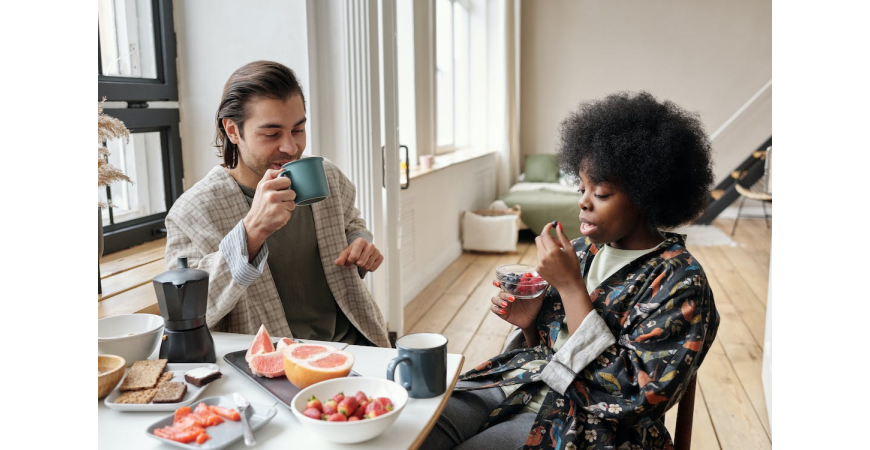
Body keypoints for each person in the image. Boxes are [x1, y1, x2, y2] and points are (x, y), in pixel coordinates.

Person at [422, 91, 720, 450]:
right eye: (582, 188)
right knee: (414, 428)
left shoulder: (680, 282)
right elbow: (550, 351)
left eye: (602, 193)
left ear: (647, 195)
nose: (583, 201)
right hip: (524, 385)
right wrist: (530, 324)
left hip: (587, 425)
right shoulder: (580, 251)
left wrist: (570, 289)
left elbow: (635, 397)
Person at [164, 60, 390, 348]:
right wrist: (252, 231)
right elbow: (184, 313)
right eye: (271, 134)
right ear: (232, 131)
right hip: (271, 364)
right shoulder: (192, 211)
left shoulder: (327, 177)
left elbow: (351, 225)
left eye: (298, 129)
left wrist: (360, 244)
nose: (291, 147)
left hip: (358, 345)